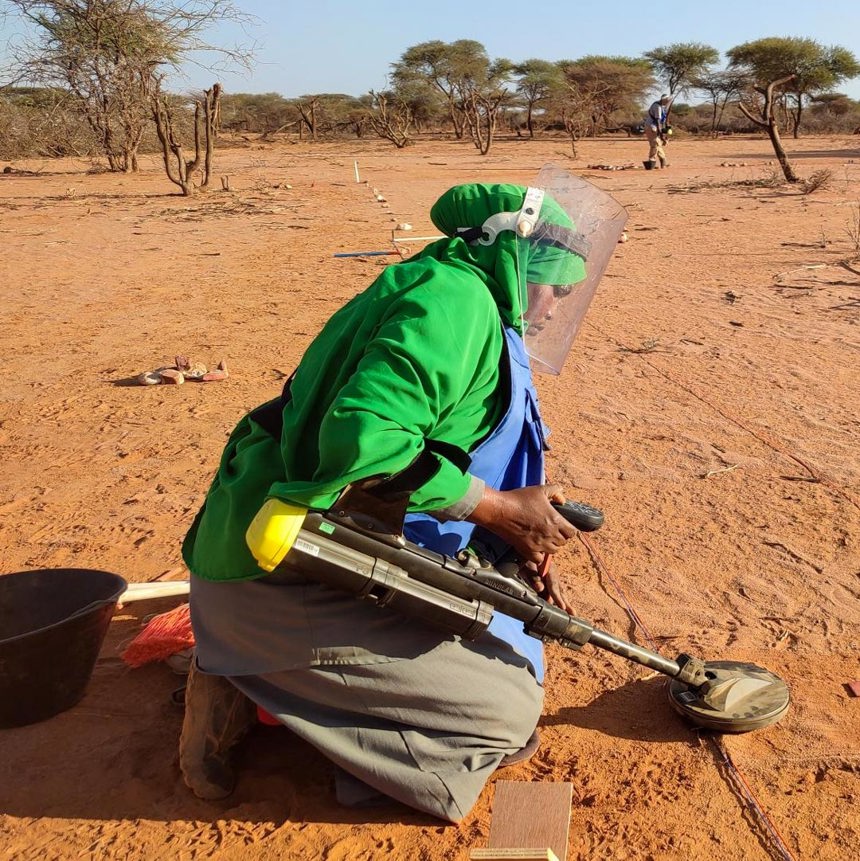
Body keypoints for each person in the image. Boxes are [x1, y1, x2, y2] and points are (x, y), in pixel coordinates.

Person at [178, 173, 623, 822]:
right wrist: (498, 510)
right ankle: (243, 677)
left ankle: (264, 669)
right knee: (504, 713)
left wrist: (508, 532)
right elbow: (363, 439)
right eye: (554, 285)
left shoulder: (451, 282)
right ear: (514, 258)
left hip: (314, 540)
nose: (555, 307)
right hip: (280, 564)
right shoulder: (455, 304)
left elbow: (440, 447)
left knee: (512, 636)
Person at [644, 94, 671, 169]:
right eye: (667, 101)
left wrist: (664, 131)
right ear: (663, 100)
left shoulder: (662, 106)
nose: (667, 102)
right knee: (655, 144)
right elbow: (658, 120)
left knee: (658, 144)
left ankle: (663, 161)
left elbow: (663, 120)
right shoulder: (657, 107)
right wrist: (661, 133)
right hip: (651, 127)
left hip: (655, 127)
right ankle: (651, 161)